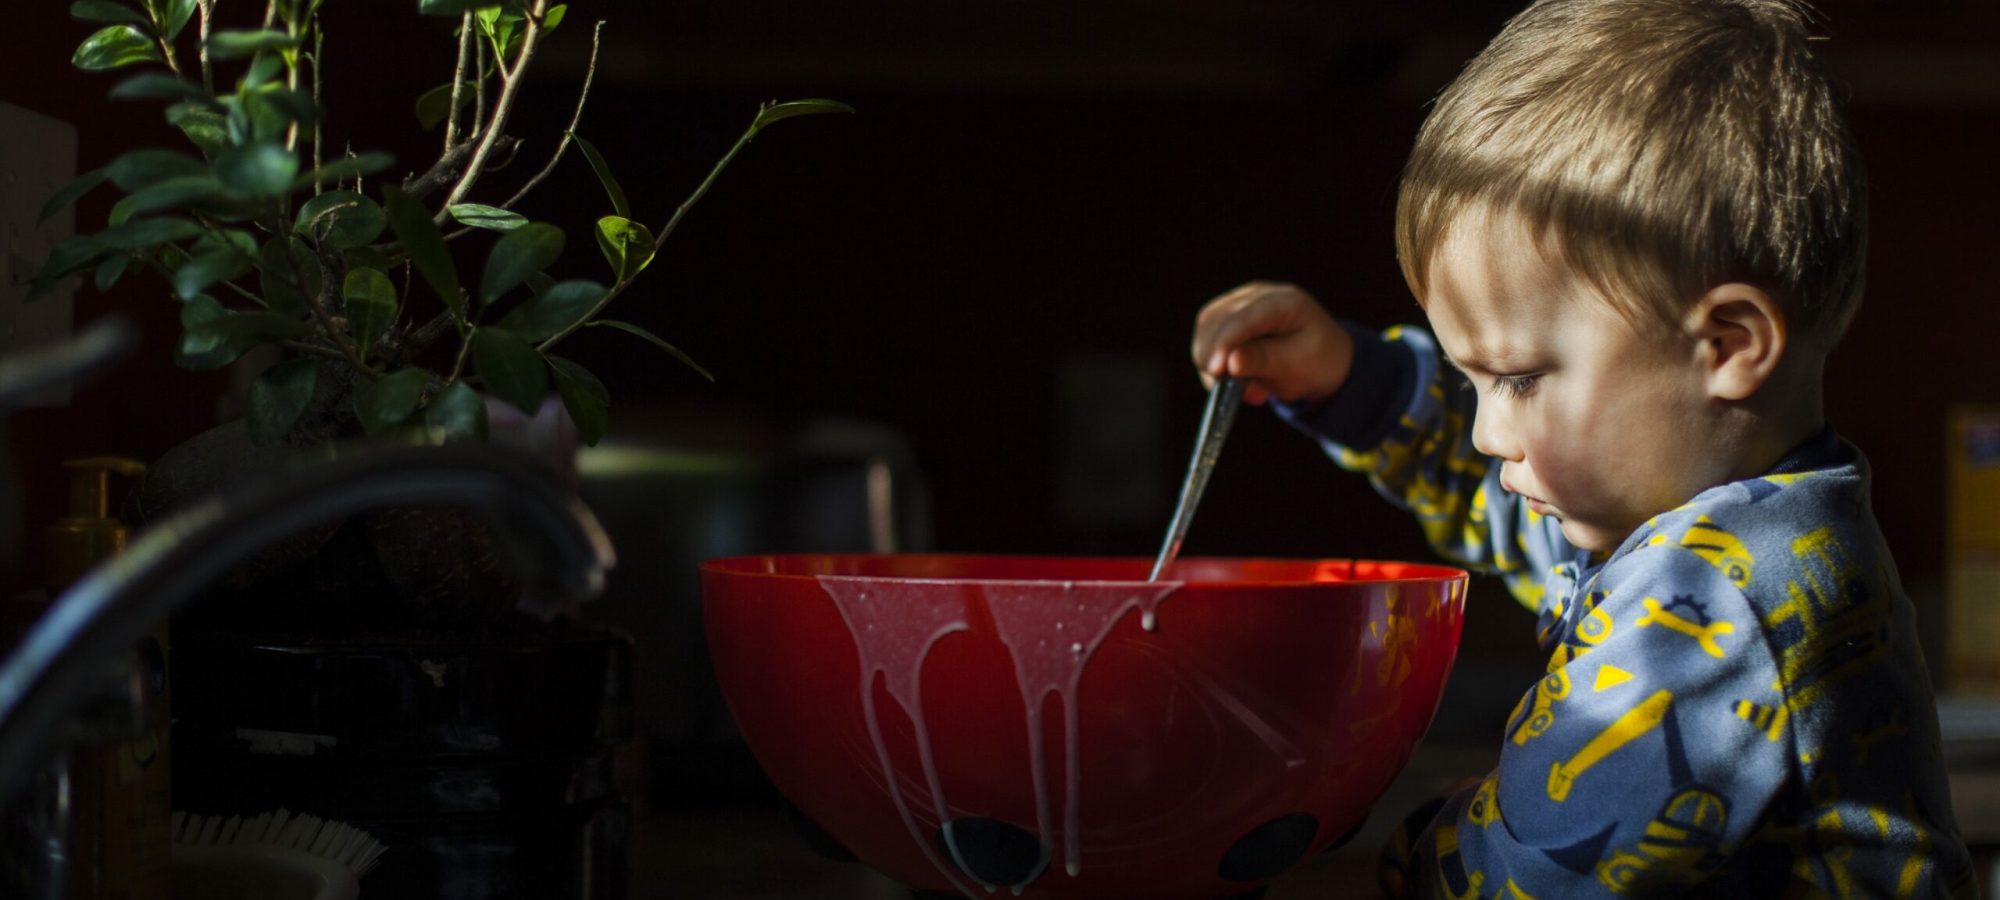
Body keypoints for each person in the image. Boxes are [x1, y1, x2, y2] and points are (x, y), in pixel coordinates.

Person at [1189, 0, 1976, 895]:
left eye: (1518, 379)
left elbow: (1520, 877)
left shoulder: (1717, 603)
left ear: (1725, 346)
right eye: (1472, 380)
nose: (1489, 431)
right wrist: (1351, 385)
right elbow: (1514, 510)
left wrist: (1407, 829)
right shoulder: (1744, 527)